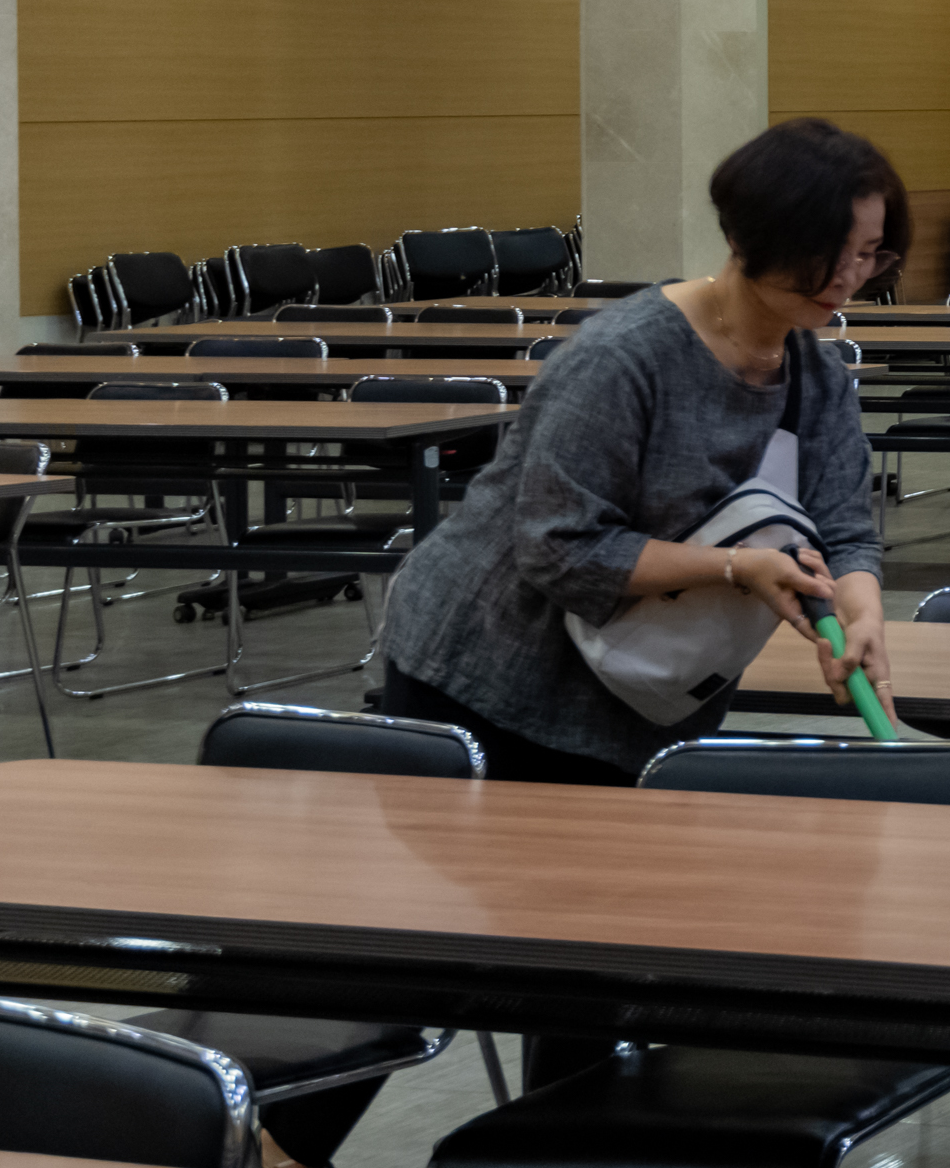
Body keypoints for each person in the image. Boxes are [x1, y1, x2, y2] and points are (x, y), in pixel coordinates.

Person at [380, 118, 897, 789]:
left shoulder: (816, 377)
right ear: (747, 239)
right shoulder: (623, 357)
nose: (849, 276)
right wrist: (736, 567)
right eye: (828, 252)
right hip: (489, 672)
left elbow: (845, 530)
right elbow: (559, 545)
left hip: (645, 689)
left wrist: (863, 614)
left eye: (869, 253)